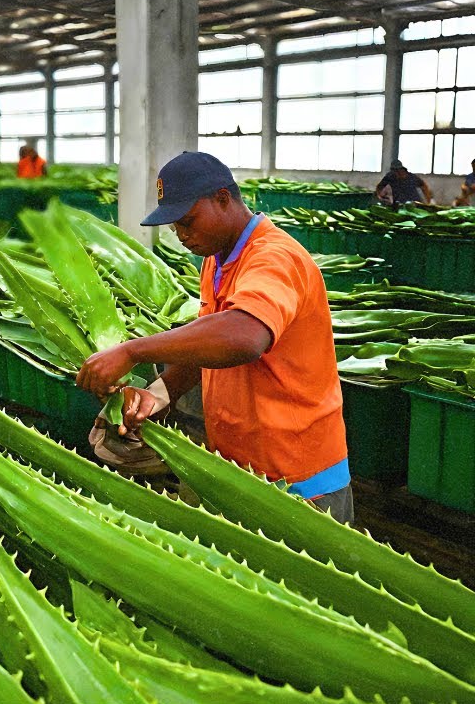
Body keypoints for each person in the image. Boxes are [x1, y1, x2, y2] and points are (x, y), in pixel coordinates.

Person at [75, 151, 353, 524]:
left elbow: (245, 336)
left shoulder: (274, 258)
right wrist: (157, 397)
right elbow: (206, 345)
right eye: (175, 227)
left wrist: (132, 351)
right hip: (241, 469)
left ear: (223, 198)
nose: (183, 236)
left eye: (188, 221)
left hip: (297, 478)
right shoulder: (217, 259)